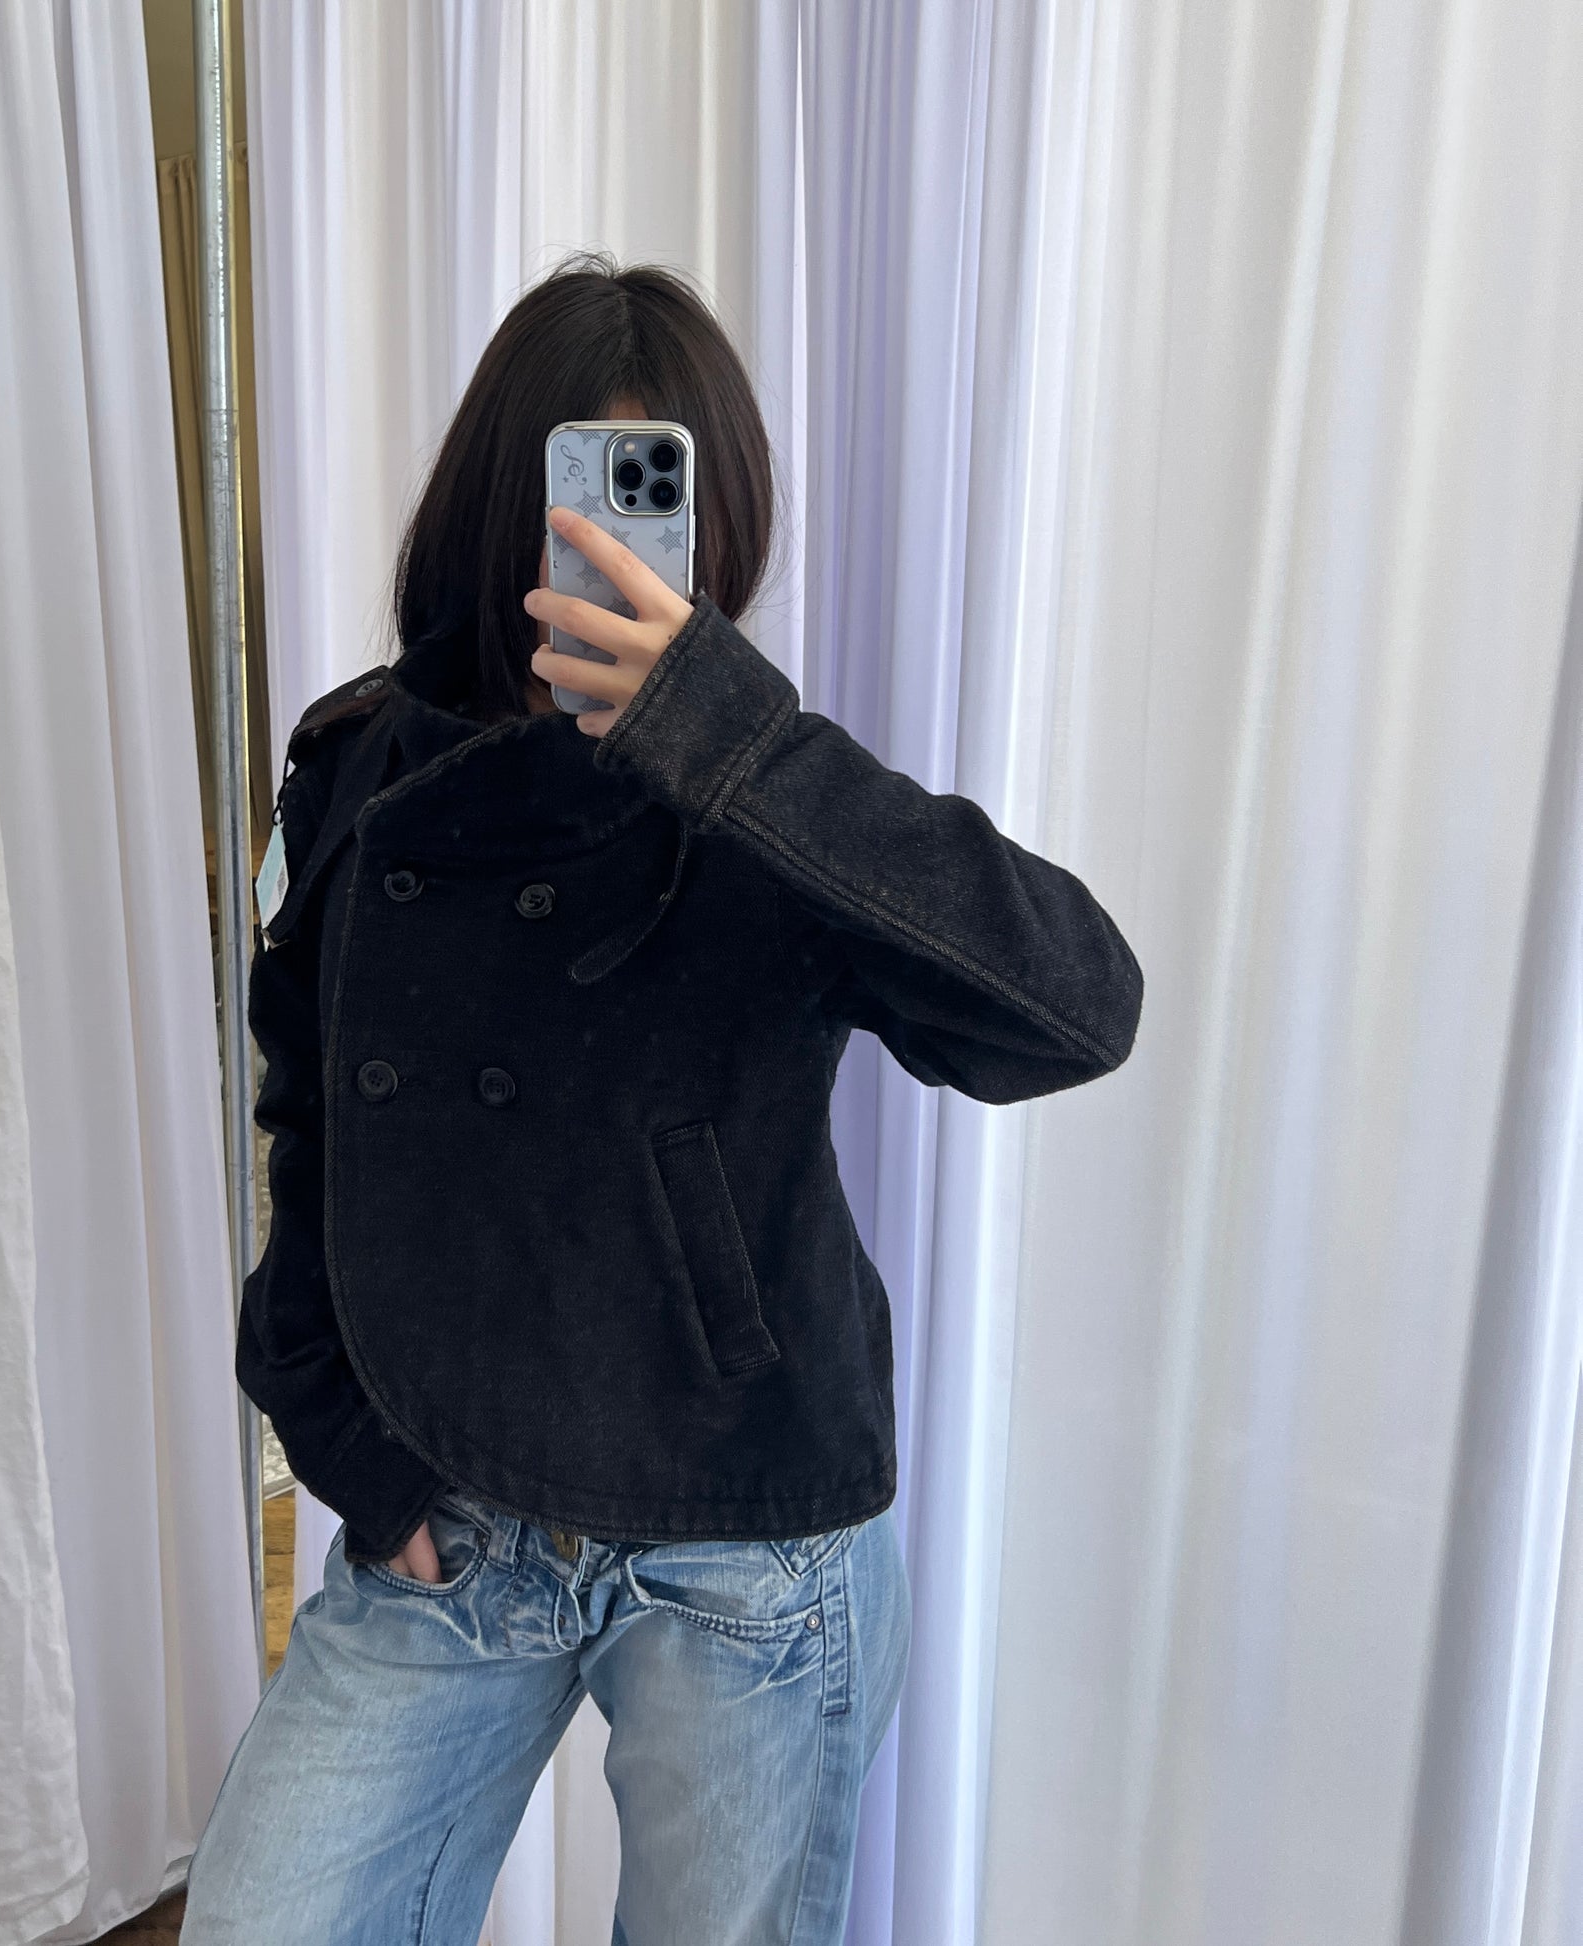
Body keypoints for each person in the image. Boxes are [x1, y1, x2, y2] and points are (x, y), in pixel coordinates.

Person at [179, 253, 1143, 1946]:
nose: (609, 545)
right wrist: (338, 1432)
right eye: (575, 494)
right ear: (497, 501)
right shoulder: (358, 765)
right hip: (452, 1508)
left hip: (742, 1538)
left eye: (653, 496)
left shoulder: (765, 792)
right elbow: (303, 1113)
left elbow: (1073, 1006)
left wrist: (731, 742)